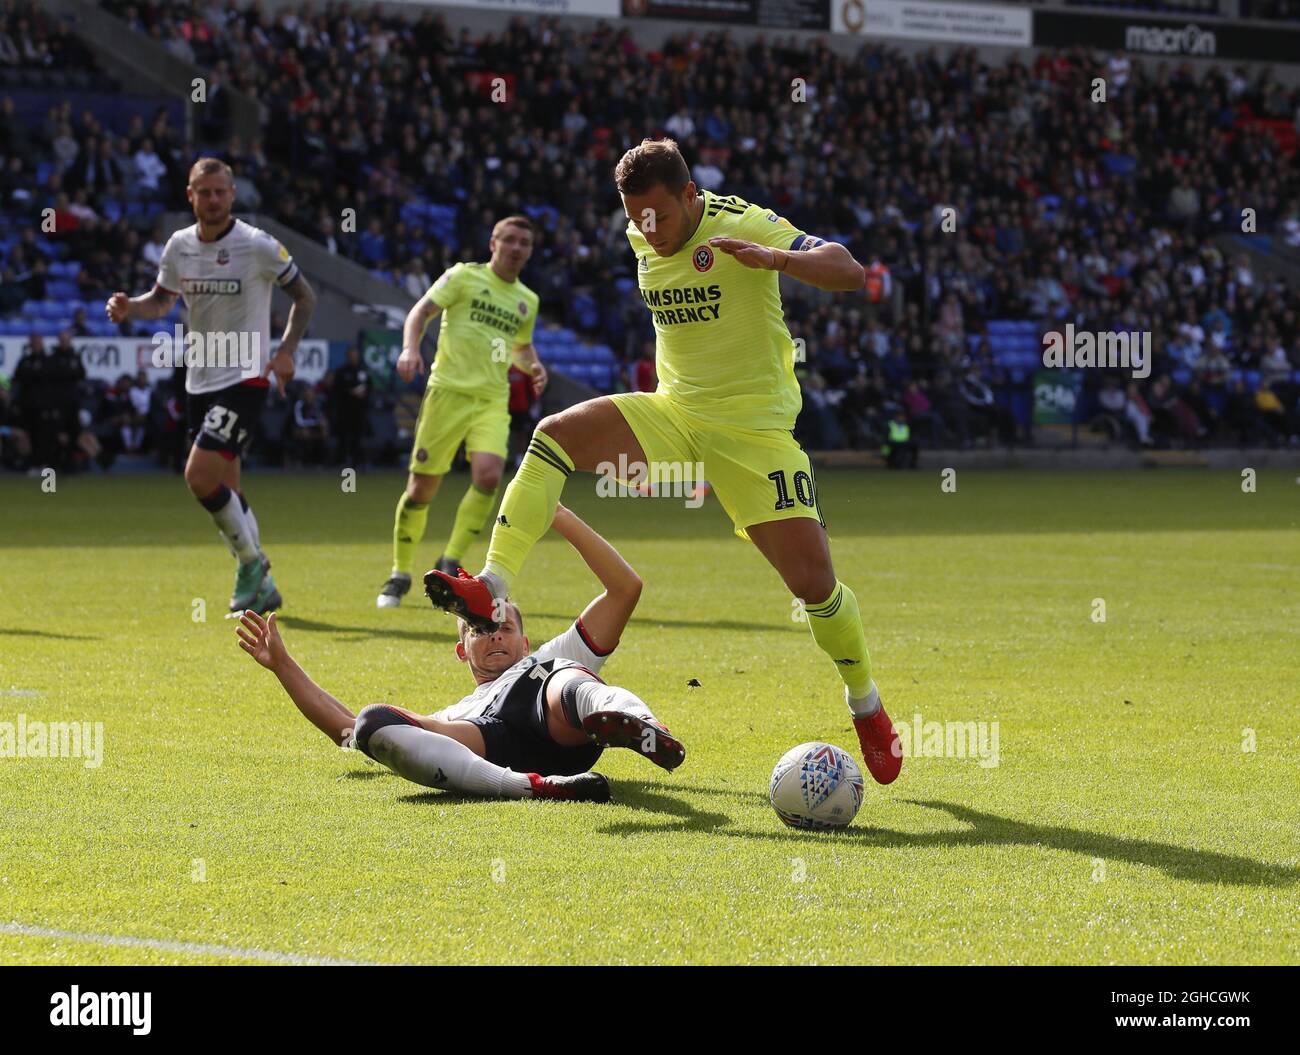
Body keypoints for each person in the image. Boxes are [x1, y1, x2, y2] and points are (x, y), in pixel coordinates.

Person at [425, 138, 902, 786]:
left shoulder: (739, 223)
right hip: (673, 412)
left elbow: (849, 270)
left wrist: (776, 260)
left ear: (690, 196)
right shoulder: (641, 228)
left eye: (660, 216)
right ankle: (492, 586)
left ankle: (866, 704)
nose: (649, 231)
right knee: (554, 434)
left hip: (752, 430)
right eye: (636, 218)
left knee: (814, 585)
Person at [238, 504, 683, 803]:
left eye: (504, 627)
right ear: (461, 649)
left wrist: (557, 514)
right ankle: (536, 788)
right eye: (480, 629)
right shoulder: (459, 710)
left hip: (561, 720)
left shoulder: (543, 658)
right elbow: (348, 730)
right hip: (493, 744)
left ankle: (640, 725)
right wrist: (282, 665)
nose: (494, 636)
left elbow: (625, 589)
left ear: (523, 642)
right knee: (374, 721)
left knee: (564, 674)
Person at [105, 157, 316, 615]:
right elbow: (161, 301)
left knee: (198, 476)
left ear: (232, 195)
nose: (214, 199)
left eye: (221, 191)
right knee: (228, 487)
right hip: (199, 379)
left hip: (246, 377)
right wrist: (129, 309)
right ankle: (265, 586)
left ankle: (251, 563)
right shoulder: (179, 246)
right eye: (205, 192)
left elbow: (305, 295)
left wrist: (286, 351)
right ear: (190, 195)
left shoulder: (256, 245)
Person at [377, 215, 548, 607]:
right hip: (447, 394)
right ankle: (399, 573)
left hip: (491, 399)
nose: (517, 248)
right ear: (494, 243)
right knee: (421, 490)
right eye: (510, 240)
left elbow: (519, 348)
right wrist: (409, 347)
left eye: (525, 242)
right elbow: (420, 313)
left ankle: (450, 559)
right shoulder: (462, 277)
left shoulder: (527, 300)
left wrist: (533, 365)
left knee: (488, 478)